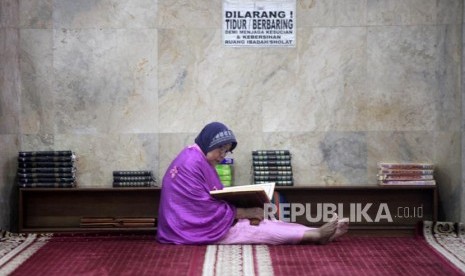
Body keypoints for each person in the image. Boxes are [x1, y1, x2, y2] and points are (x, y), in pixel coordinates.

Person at [156, 122, 348, 245]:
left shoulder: (196, 157)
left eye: (226, 151)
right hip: (189, 229)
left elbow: (207, 199)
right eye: (220, 150)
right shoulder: (193, 162)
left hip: (189, 225)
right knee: (254, 229)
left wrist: (242, 209)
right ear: (208, 143)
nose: (222, 156)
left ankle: (314, 231)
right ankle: (315, 236)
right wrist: (245, 212)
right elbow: (200, 208)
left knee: (262, 222)